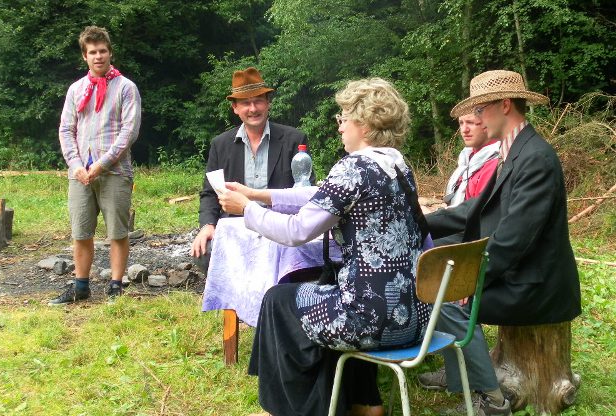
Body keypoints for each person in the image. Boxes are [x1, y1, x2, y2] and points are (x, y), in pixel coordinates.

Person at [218, 78, 432, 416]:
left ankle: (290, 409)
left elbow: (296, 231)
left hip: (372, 322)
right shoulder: (398, 166)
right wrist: (258, 195)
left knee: (278, 300)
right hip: (417, 318)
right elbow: (320, 195)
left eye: (343, 118)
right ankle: (364, 403)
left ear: (364, 124)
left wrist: (247, 209)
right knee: (332, 291)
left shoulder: (353, 168)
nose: (340, 126)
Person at [419, 70, 581, 415]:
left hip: (536, 285)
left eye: (480, 110)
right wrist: (420, 222)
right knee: (441, 279)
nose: (476, 119)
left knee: (447, 299)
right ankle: (458, 376)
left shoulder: (535, 157)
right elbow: (473, 210)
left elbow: (513, 239)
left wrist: (473, 280)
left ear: (505, 105)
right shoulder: (514, 151)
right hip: (520, 274)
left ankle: (492, 400)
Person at [190, 67, 313, 273]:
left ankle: (278, 292)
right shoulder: (220, 144)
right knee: (204, 251)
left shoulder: (294, 140)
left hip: (279, 225)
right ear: (235, 108)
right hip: (237, 225)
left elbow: (304, 192)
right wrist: (207, 226)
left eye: (258, 101)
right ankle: (234, 294)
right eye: (246, 103)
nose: (253, 109)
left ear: (268, 103)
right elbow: (210, 193)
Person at [50, 26, 141, 305]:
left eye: (102, 51)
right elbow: (66, 129)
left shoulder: (126, 88)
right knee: (81, 231)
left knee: (117, 232)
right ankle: (80, 286)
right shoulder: (76, 89)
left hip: (114, 171)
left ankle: (115, 286)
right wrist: (75, 164)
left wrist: (102, 163)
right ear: (85, 56)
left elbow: (129, 131)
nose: (98, 56)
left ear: (110, 52)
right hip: (80, 174)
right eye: (92, 52)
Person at [444, 113, 499, 206]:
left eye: (470, 122)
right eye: (461, 123)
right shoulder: (467, 157)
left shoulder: (495, 161)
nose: (464, 130)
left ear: (487, 124)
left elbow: (478, 210)